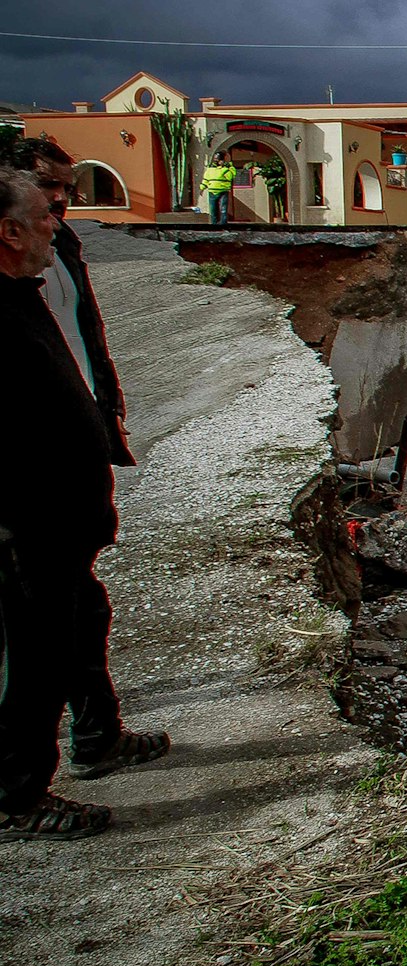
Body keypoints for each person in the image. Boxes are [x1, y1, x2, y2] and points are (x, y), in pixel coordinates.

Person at [12, 138, 168, 783]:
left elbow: (80, 343)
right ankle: (19, 787)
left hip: (72, 471)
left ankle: (98, 732)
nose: (61, 206)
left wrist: (103, 416)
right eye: (49, 190)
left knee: (80, 610)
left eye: (69, 192)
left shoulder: (54, 255)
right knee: (36, 638)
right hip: (29, 492)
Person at [0, 166, 119, 840]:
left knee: (74, 631)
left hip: (62, 522)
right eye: (45, 213)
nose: (57, 222)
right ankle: (16, 795)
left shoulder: (22, 293)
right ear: (9, 231)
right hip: (28, 526)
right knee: (32, 661)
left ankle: (97, 739)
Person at [199, 150, 235, 226]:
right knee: (220, 209)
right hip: (221, 190)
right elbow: (231, 176)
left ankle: (218, 224)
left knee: (218, 209)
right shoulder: (224, 169)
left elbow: (206, 179)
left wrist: (202, 188)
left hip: (216, 190)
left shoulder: (210, 169)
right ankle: (218, 224)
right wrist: (229, 166)